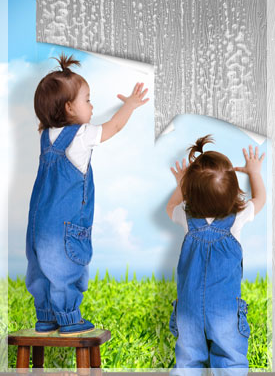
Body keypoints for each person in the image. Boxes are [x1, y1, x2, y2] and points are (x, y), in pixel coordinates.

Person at [25, 53, 149, 336]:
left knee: (42, 270)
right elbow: (113, 127)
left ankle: (45, 316)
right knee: (66, 267)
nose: (92, 106)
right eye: (88, 100)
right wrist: (129, 105)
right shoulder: (80, 136)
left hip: (38, 226)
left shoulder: (45, 136)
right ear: (69, 108)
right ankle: (68, 318)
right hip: (65, 227)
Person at [166, 135, 266, 376]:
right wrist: (254, 171)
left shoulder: (186, 218)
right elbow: (260, 199)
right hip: (225, 313)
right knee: (230, 361)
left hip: (189, 310)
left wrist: (180, 185)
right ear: (234, 192)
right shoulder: (237, 220)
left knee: (188, 362)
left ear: (190, 193)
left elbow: (170, 208)